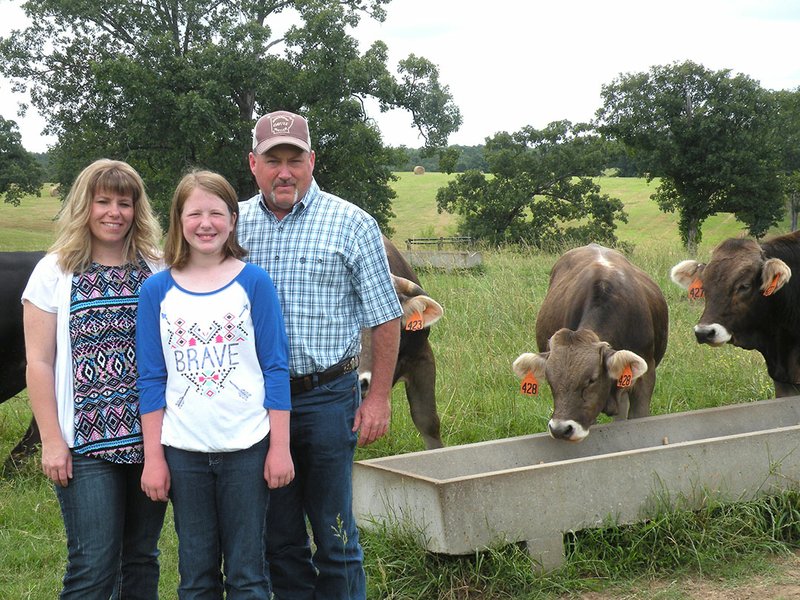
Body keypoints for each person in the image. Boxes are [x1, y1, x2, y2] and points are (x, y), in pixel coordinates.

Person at [238, 110, 402, 600]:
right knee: (279, 538)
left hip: (329, 397)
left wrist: (377, 401)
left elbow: (385, 317)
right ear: (253, 164)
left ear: (312, 161)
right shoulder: (232, 224)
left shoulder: (352, 224)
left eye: (294, 159)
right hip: (257, 404)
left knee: (335, 534)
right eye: (273, 161)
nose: (284, 171)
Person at [136, 170, 293, 599]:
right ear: (178, 220)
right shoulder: (157, 291)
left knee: (247, 573)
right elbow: (150, 378)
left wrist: (280, 448)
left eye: (216, 213)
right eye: (195, 214)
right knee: (197, 574)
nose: (206, 223)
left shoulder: (253, 283)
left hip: (248, 447)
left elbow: (275, 368)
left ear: (232, 219)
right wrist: (154, 459)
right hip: (183, 452)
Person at [22, 158, 167, 599]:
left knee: (142, 557)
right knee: (93, 565)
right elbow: (39, 363)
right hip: (85, 446)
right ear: (84, 205)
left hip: (150, 439)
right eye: (103, 201)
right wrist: (51, 440)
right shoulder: (55, 272)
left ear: (137, 209)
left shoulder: (157, 268)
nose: (114, 212)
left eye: (125, 202)